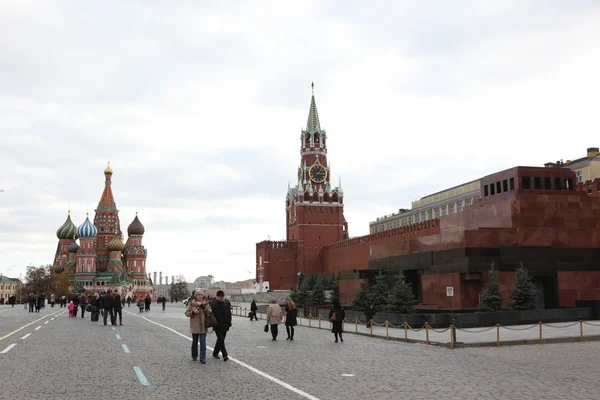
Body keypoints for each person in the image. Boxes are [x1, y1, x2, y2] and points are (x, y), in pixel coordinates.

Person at [186, 291, 211, 363]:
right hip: (195, 325)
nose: (200, 296)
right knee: (195, 342)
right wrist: (193, 312)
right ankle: (194, 356)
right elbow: (187, 313)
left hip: (203, 325)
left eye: (201, 294)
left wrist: (203, 307)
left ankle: (202, 358)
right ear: (196, 296)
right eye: (198, 295)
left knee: (203, 342)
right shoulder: (191, 303)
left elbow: (209, 311)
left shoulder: (205, 303)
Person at [211, 290, 231, 361]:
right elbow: (211, 315)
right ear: (217, 297)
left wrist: (229, 323)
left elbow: (229, 314)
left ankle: (215, 353)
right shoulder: (213, 305)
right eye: (220, 297)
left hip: (225, 325)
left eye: (222, 297)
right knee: (221, 340)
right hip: (217, 325)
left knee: (220, 340)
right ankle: (225, 355)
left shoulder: (226, 304)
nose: (221, 298)